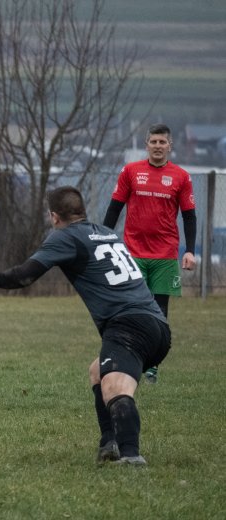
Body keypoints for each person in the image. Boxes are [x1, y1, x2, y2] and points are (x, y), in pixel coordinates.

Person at [0, 186, 171, 465]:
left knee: (115, 387)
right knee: (98, 371)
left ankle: (131, 457)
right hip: (158, 325)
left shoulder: (65, 236)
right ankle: (109, 443)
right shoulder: (106, 232)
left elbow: (24, 276)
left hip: (128, 326)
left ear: (54, 216)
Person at [103, 123, 196, 384]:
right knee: (131, 307)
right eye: (153, 142)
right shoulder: (131, 171)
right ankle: (132, 355)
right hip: (133, 253)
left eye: (162, 142)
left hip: (165, 255)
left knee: (159, 309)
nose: (157, 146)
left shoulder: (181, 177)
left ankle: (153, 363)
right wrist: (103, 241)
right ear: (147, 145)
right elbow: (114, 208)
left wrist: (189, 250)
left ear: (170, 146)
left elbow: (189, 216)